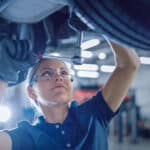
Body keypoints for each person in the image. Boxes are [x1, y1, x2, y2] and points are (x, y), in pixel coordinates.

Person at [0, 40, 140, 150]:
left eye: (64, 72)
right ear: (31, 92)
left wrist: (99, 20)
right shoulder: (26, 138)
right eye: (47, 73)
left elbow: (129, 64)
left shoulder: (94, 114)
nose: (59, 77)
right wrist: (3, 72)